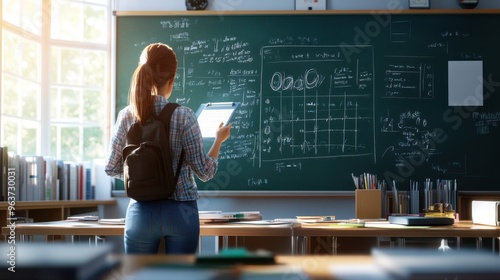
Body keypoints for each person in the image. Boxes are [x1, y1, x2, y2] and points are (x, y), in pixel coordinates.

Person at [105, 43, 231, 254]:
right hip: (181, 212)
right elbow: (205, 172)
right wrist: (218, 141)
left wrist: (141, 177)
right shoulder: (184, 115)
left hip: (140, 212)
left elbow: (110, 167)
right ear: (172, 79)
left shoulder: (127, 115)